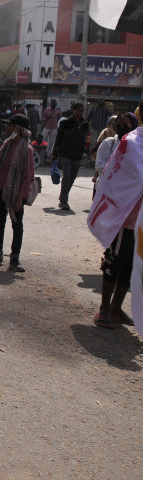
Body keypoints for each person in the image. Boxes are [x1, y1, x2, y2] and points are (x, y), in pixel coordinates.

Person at [87, 117, 142, 329]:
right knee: (114, 263)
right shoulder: (131, 143)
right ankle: (103, 309)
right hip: (125, 217)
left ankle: (116, 308)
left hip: (141, 223)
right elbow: (115, 173)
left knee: (131, 267)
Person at [0, 114, 35, 272]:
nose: (7, 128)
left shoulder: (27, 150)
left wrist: (20, 198)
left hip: (16, 194)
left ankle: (14, 259)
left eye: (10, 125)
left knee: (17, 225)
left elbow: (28, 178)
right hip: (1, 189)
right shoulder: (8, 145)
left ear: (17, 128)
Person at [51, 102, 90, 211]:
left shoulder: (85, 124)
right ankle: (64, 201)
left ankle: (62, 197)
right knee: (67, 175)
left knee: (72, 178)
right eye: (79, 110)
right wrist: (55, 153)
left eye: (82, 111)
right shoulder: (66, 123)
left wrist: (86, 150)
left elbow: (86, 139)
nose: (80, 112)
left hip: (77, 154)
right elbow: (58, 138)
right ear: (73, 110)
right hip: (65, 153)